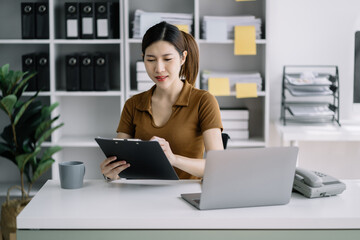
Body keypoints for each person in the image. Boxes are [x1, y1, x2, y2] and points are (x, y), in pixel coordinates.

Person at [100, 21, 223, 180]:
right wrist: (111, 173)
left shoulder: (203, 101)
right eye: (150, 60)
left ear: (182, 58)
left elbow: (218, 166)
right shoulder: (133, 104)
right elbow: (119, 163)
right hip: (140, 194)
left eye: (167, 59)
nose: (158, 68)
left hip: (185, 195)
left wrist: (173, 159)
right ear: (143, 59)